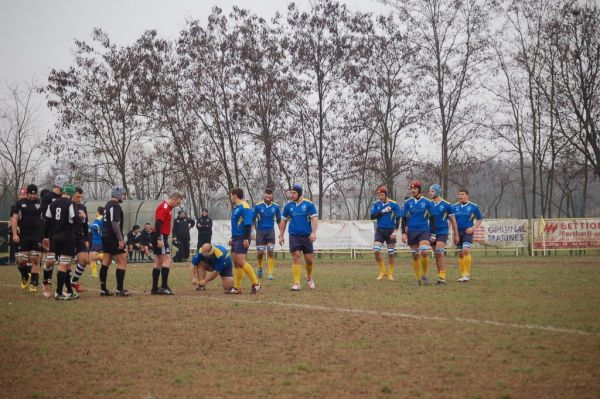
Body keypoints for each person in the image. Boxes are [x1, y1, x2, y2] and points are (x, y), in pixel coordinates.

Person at [278, 184, 319, 291]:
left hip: (306, 236)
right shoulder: (288, 206)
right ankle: (296, 283)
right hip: (294, 235)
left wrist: (314, 233)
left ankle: (309, 277)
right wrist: (281, 235)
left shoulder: (309, 204)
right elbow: (283, 220)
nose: (291, 195)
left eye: (294, 193)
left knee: (309, 261)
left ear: (300, 193)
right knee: (296, 256)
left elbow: (314, 218)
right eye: (291, 193)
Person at [43, 183, 79, 300]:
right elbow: (75, 220)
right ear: (71, 193)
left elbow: (47, 221)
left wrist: (46, 237)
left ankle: (69, 291)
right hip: (67, 237)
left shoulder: (52, 204)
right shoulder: (70, 204)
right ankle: (58, 293)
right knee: (63, 265)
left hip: (55, 237)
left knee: (65, 265)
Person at [401, 180, 437, 286]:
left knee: (424, 252)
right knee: (415, 255)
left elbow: (433, 218)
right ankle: (417, 279)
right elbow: (403, 218)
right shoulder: (408, 203)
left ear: (419, 190)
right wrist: (403, 233)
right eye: (412, 188)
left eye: (415, 188)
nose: (413, 190)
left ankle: (424, 275)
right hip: (412, 231)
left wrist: (433, 234)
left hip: (424, 230)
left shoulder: (427, 202)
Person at [227, 188, 260, 295]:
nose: (231, 197)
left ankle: (256, 283)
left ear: (235, 195)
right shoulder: (236, 208)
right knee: (236, 263)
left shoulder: (245, 207)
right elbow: (237, 224)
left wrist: (246, 238)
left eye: (231, 195)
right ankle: (237, 287)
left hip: (242, 237)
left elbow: (247, 224)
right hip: (236, 238)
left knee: (241, 261)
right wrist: (232, 237)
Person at [40, 174, 68, 297]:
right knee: (50, 260)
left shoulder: (66, 197)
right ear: (60, 184)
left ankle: (61, 288)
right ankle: (45, 283)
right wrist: (45, 237)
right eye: (65, 184)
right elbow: (45, 218)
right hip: (51, 233)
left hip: (64, 233)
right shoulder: (47, 197)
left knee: (64, 261)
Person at [11, 184, 43, 292]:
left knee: (35, 260)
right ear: (27, 193)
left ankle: (34, 284)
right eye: (31, 194)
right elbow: (14, 218)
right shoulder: (20, 203)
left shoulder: (40, 202)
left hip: (36, 236)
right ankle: (25, 277)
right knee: (21, 261)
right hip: (24, 236)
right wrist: (15, 234)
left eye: (35, 194)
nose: (33, 196)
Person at [151, 192, 183, 295]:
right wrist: (160, 239)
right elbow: (158, 222)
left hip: (159, 235)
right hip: (161, 236)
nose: (177, 205)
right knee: (167, 260)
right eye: (177, 202)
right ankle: (164, 287)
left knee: (158, 261)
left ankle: (154, 288)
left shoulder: (168, 208)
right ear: (174, 199)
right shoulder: (164, 207)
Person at [100, 186, 130, 296]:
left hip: (105, 236)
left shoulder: (107, 205)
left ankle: (103, 290)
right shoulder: (115, 206)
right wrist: (120, 239)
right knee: (122, 261)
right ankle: (119, 290)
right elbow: (115, 224)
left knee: (106, 262)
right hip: (113, 237)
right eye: (122, 194)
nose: (123, 197)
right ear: (118, 195)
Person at [428, 184, 459, 284]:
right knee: (436, 254)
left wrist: (456, 234)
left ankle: (442, 276)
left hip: (442, 232)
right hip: (431, 232)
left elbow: (453, 220)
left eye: (432, 191)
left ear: (437, 192)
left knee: (439, 251)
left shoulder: (446, 205)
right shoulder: (429, 204)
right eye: (430, 191)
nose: (430, 193)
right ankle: (440, 276)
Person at [369, 186, 402, 280]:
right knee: (376, 250)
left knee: (391, 253)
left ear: (386, 194)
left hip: (390, 230)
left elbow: (398, 218)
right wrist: (382, 211)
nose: (380, 196)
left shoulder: (394, 204)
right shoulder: (376, 204)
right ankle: (383, 271)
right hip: (380, 230)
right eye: (379, 195)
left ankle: (390, 273)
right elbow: (372, 216)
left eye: (382, 194)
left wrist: (395, 231)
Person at [452, 189, 483, 282]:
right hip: (458, 232)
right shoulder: (454, 207)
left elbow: (480, 219)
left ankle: (466, 274)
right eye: (459, 194)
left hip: (467, 232)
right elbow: (451, 220)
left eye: (462, 194)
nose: (460, 196)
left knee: (466, 250)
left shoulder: (473, 206)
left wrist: (473, 228)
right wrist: (454, 233)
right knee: (461, 254)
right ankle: (463, 274)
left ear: (467, 196)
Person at [252, 188, 281, 280]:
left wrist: (281, 233)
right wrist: (253, 232)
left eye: (269, 197)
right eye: (266, 197)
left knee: (271, 251)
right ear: (264, 196)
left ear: (272, 197)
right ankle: (260, 267)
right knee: (260, 253)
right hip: (260, 232)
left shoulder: (276, 207)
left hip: (270, 231)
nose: (268, 199)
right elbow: (252, 219)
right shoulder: (258, 206)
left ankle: (270, 273)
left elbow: (279, 221)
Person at [70, 187, 90, 293]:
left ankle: (73, 281)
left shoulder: (82, 207)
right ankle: (65, 287)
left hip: (79, 237)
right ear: (72, 195)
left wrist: (86, 239)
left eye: (81, 197)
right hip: (68, 236)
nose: (79, 199)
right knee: (67, 263)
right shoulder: (68, 205)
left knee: (84, 260)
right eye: (78, 196)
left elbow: (85, 224)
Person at [88, 206, 104, 277]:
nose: (95, 213)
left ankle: (106, 256)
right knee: (91, 256)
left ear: (98, 212)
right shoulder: (102, 218)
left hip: (97, 240)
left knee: (93, 257)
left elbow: (95, 227)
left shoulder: (98, 218)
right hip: (96, 240)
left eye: (96, 211)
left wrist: (87, 224)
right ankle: (94, 273)